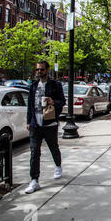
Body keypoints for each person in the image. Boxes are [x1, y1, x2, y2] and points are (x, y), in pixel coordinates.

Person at [25, 60, 66, 194]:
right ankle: (34, 180)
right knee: (34, 151)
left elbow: (62, 101)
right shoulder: (33, 85)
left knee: (53, 147)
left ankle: (58, 166)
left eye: (42, 70)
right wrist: (28, 121)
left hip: (50, 123)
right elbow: (30, 105)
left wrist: (53, 101)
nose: (39, 72)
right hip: (35, 124)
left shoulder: (55, 84)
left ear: (47, 70)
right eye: (37, 70)